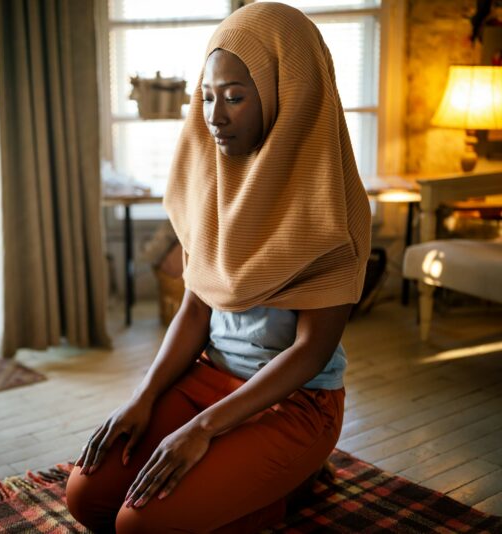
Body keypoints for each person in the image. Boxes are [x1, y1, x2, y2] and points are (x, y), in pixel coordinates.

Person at [66, 2, 372, 533]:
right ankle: (264, 486)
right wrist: (143, 399)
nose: (215, 116)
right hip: (209, 378)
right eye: (207, 97)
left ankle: (293, 481)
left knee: (139, 526)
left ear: (287, 96)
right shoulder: (209, 186)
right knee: (86, 498)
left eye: (234, 97)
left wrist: (201, 429)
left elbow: (310, 352)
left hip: (293, 403)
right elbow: (193, 308)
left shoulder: (333, 207)